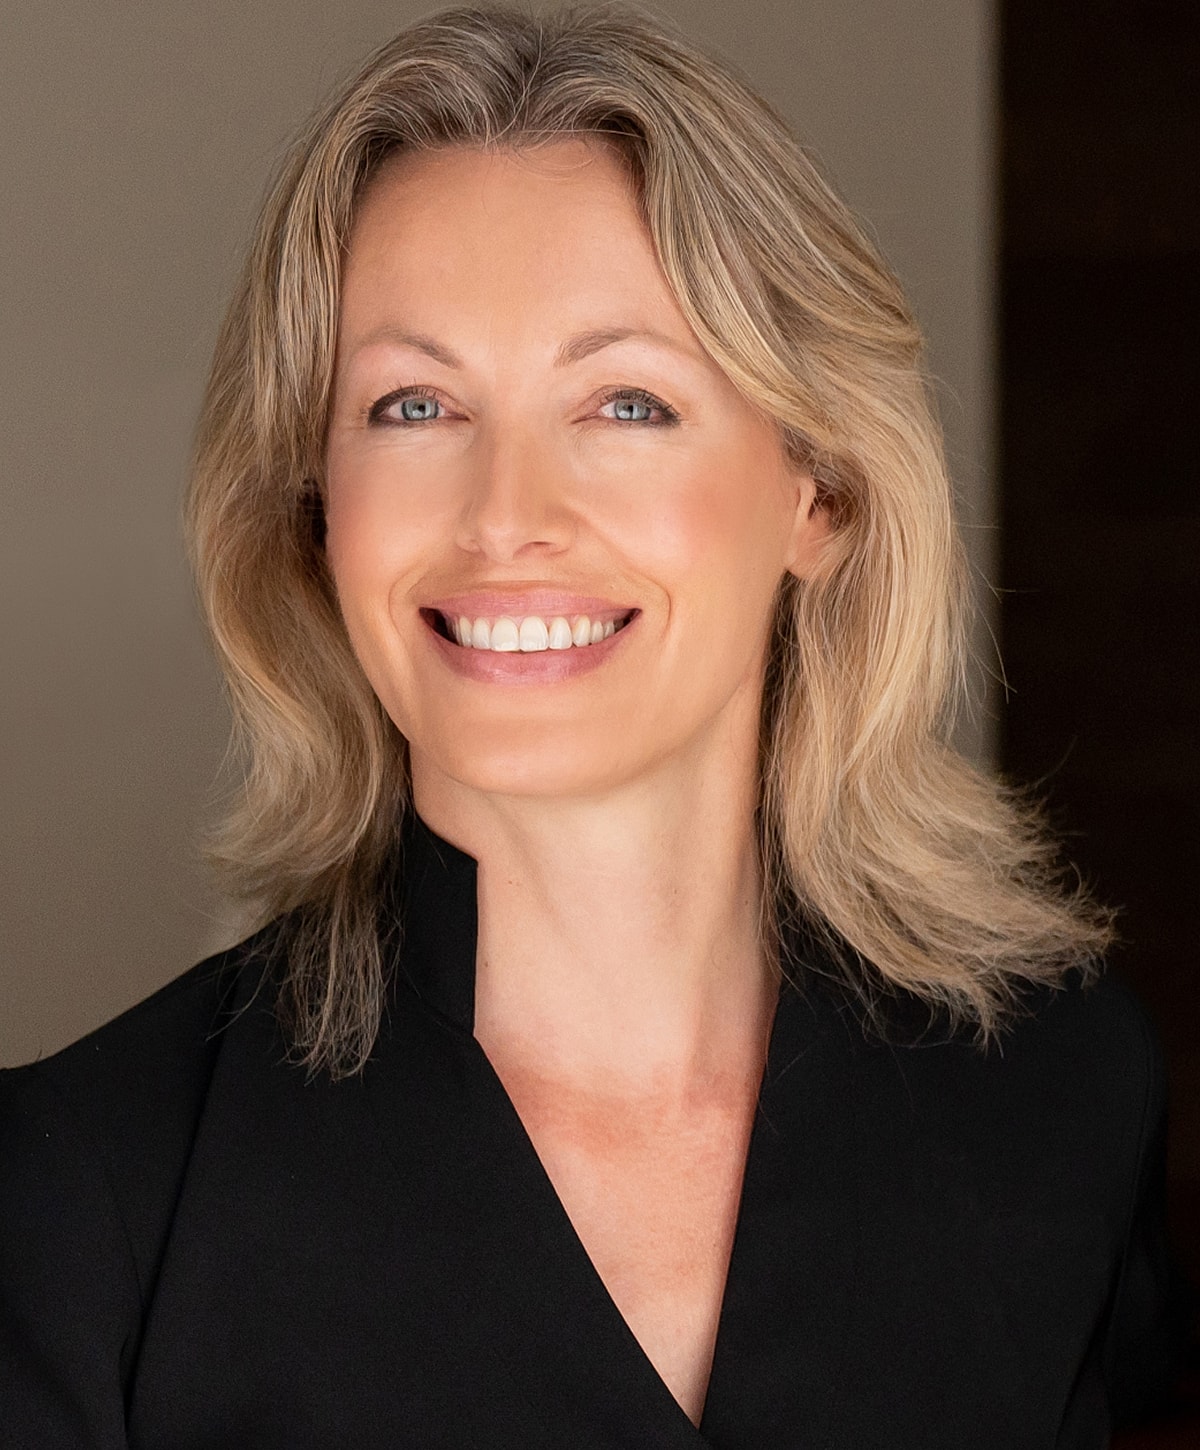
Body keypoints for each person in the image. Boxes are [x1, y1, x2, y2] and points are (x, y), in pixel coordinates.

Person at [0, 4, 1186, 1445]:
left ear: (821, 493)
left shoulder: (1059, 1098)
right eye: (414, 405)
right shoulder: (79, 1198)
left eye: (625, 403)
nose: (506, 517)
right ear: (315, 512)